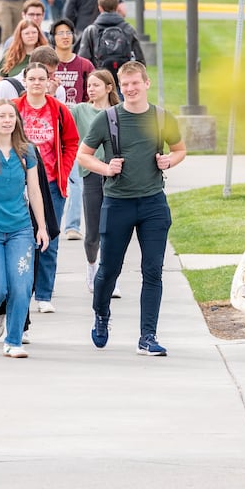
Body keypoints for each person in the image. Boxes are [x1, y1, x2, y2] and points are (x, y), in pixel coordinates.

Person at [78, 60, 186, 355]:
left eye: (135, 83)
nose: (130, 89)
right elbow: (83, 155)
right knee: (109, 270)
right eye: (125, 85)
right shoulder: (108, 118)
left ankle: (147, 336)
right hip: (117, 204)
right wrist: (105, 167)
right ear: (119, 88)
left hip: (153, 203)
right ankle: (101, 315)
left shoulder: (163, 118)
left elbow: (179, 150)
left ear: (146, 84)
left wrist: (168, 161)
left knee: (153, 270)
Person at [0, 101, 48, 358]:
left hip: (20, 230)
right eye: (1, 116)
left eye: (11, 116)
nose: (6, 120)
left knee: (22, 286)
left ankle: (14, 341)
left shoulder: (27, 152)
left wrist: (42, 228)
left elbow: (34, 192)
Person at [13, 61, 79, 313]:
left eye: (42, 79)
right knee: (22, 240)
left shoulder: (59, 110)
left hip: (51, 183)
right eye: (33, 79)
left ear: (49, 81)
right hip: (18, 187)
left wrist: (65, 168)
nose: (37, 83)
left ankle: (43, 294)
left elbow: (72, 142)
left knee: (48, 238)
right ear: (25, 81)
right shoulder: (14, 109)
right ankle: (22, 292)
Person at [67, 70, 119, 292]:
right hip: (91, 174)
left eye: (96, 85)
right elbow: (62, 116)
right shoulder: (81, 110)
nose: (91, 89)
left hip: (116, 175)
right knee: (93, 231)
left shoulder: (119, 112)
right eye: (88, 85)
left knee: (114, 229)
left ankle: (110, 278)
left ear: (109, 88)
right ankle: (92, 267)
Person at [51, 16, 94, 240]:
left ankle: (73, 225)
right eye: (60, 33)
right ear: (54, 38)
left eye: (68, 32)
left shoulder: (84, 65)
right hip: (50, 126)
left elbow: (92, 93)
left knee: (76, 177)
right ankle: (52, 222)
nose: (65, 37)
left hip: (75, 128)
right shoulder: (49, 63)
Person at [78, 0, 145, 72]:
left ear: (100, 8)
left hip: (100, 78)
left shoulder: (91, 30)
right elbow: (139, 59)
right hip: (123, 78)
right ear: (117, 7)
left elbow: (83, 59)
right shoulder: (128, 29)